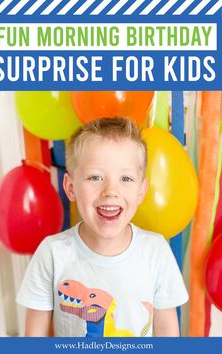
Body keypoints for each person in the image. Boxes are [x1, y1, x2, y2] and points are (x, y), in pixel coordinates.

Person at [16, 117, 188, 337]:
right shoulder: (51, 253)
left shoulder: (156, 251)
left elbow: (167, 330)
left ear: (141, 191)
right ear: (70, 188)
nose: (110, 191)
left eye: (125, 178)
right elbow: (34, 337)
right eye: (95, 177)